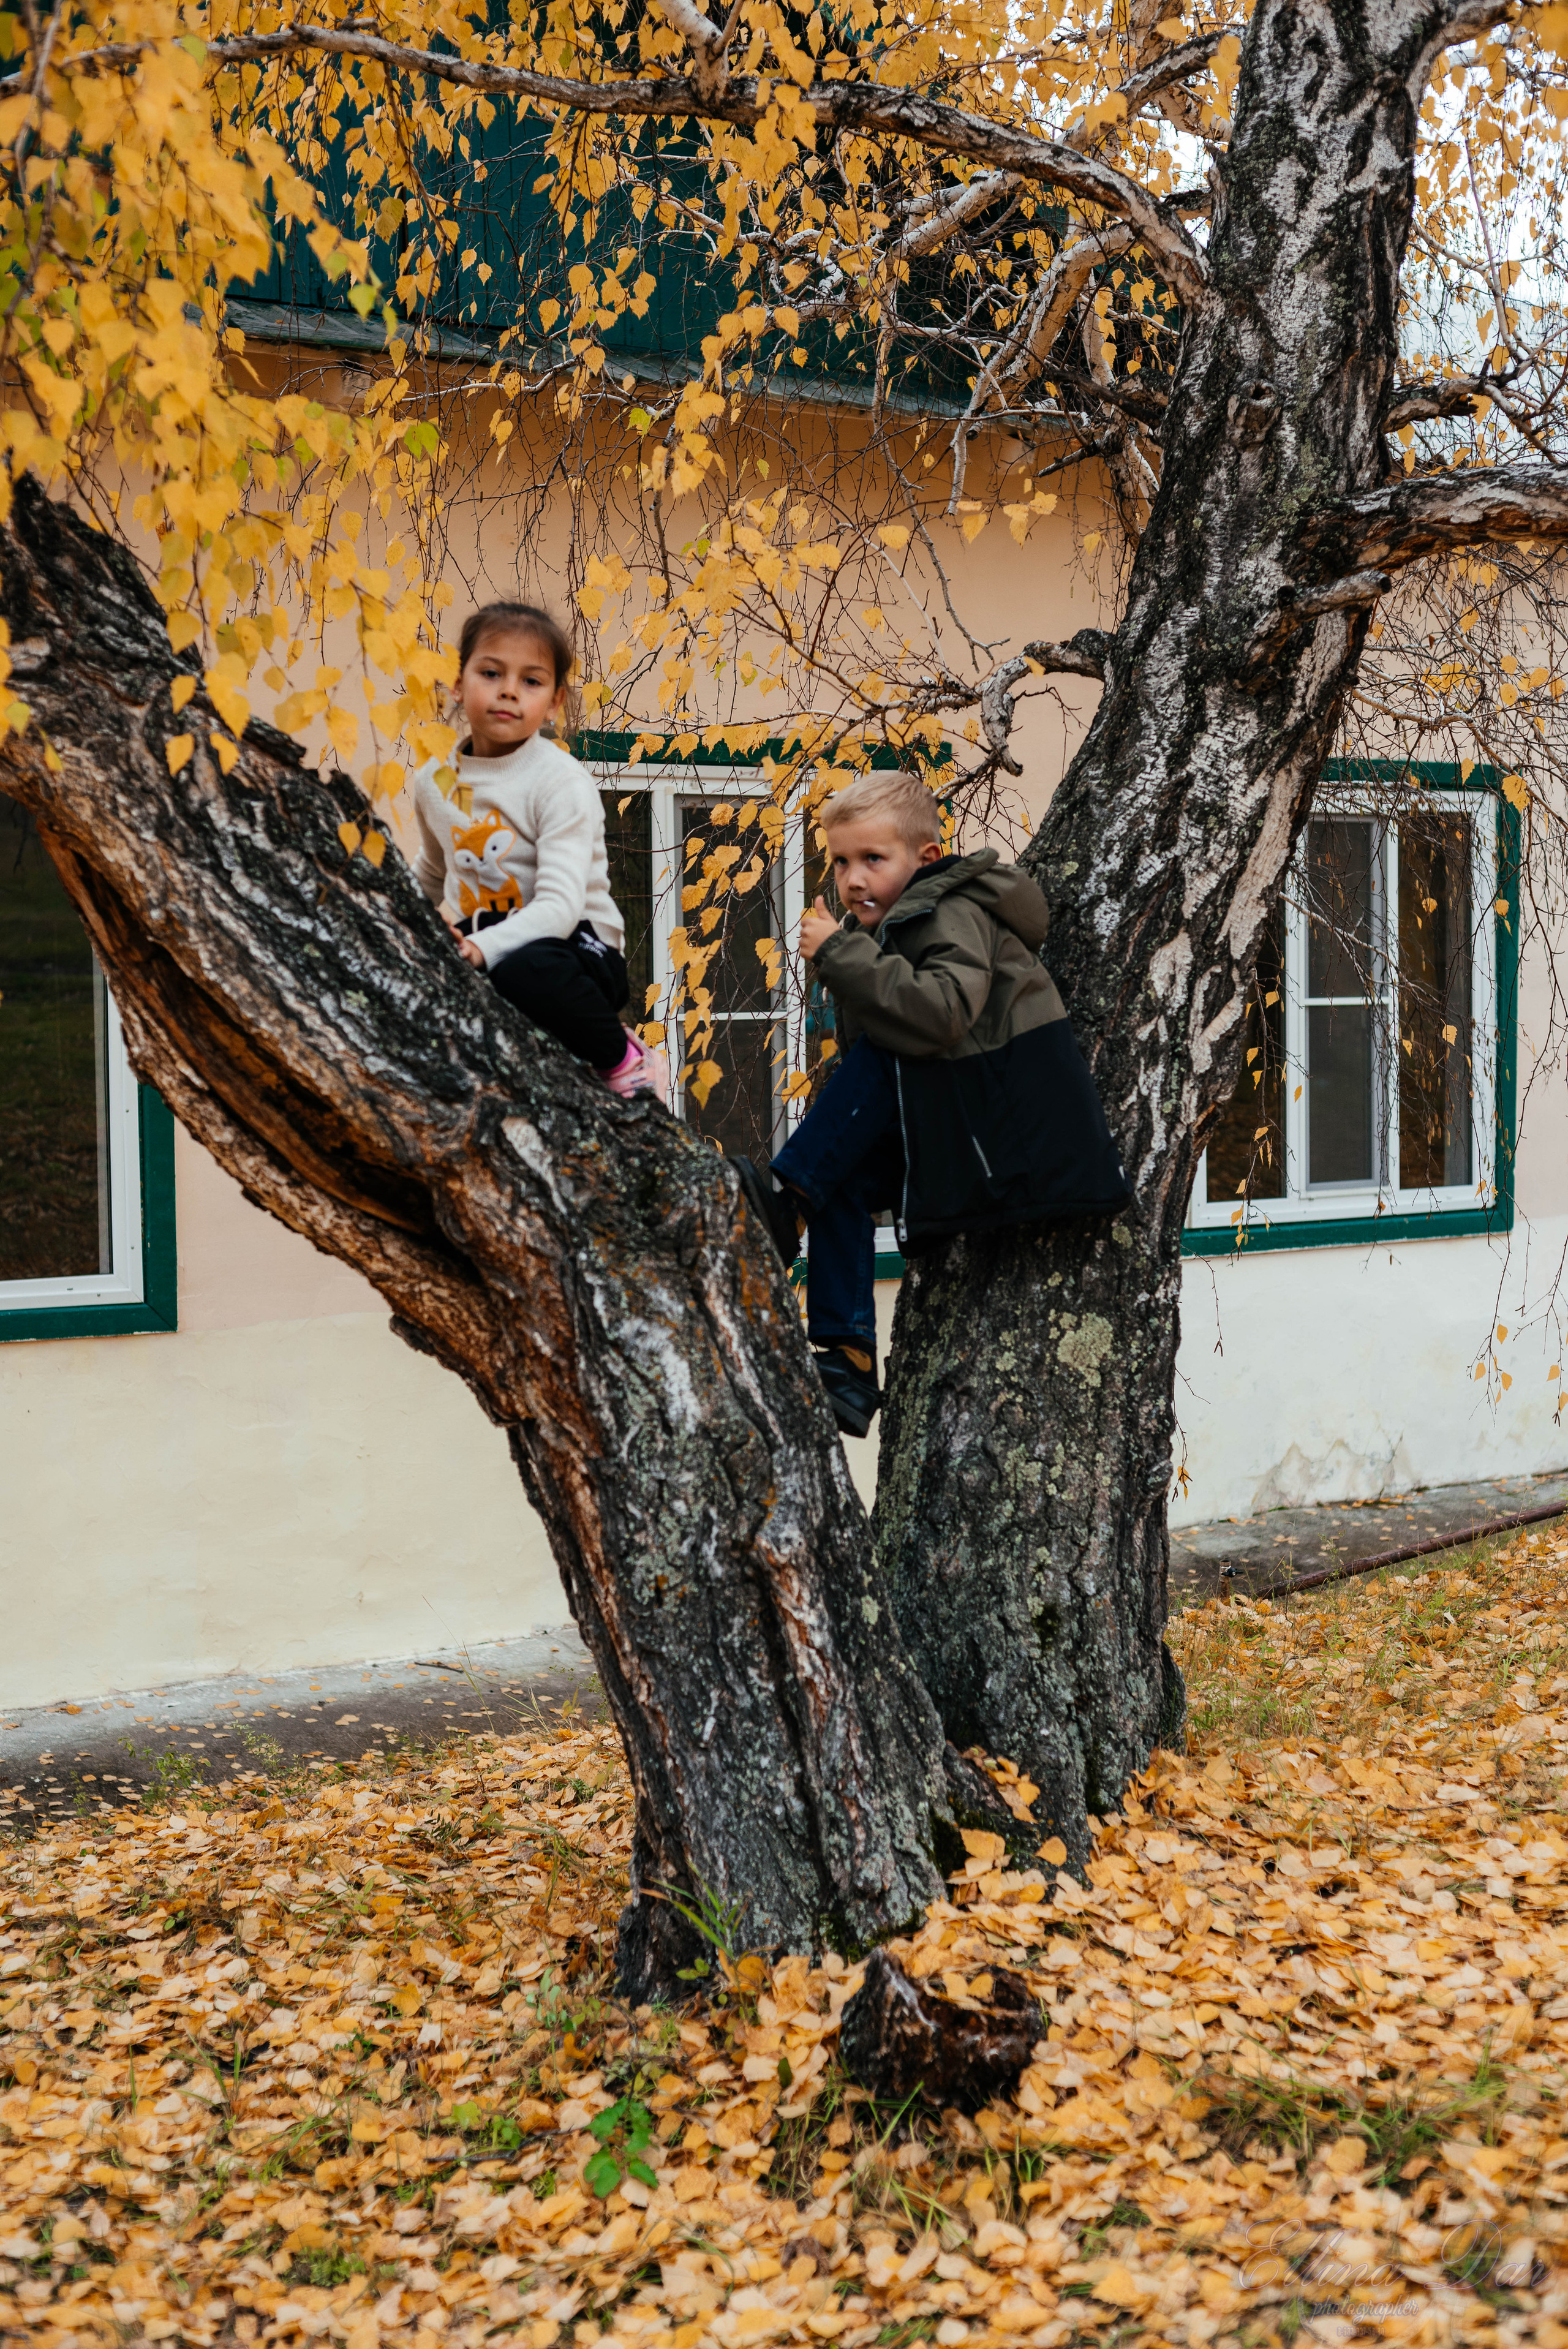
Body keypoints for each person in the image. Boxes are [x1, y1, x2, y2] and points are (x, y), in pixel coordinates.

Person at [736, 771, 1129, 1438]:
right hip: (960, 1123)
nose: (852, 879)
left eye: (872, 859)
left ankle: (788, 1202)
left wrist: (838, 954)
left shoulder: (947, 909)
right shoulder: (894, 927)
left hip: (1009, 1136)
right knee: (849, 1180)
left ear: (924, 858)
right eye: (839, 861)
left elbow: (941, 1015)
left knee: (885, 1054)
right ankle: (848, 1359)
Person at [412, 602, 668, 1103]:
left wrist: (481, 949)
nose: (509, 690)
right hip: (484, 942)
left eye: (531, 681)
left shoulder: (559, 781)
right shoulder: (434, 781)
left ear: (554, 702)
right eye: (491, 673)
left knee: (523, 968)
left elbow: (560, 906)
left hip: (577, 949)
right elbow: (430, 871)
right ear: (459, 685)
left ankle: (624, 1058)